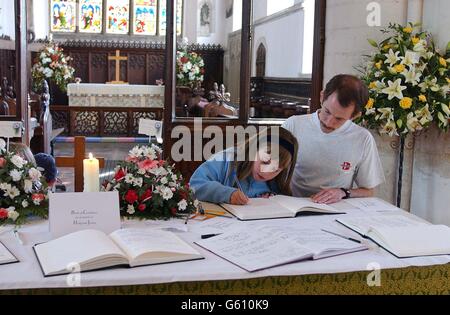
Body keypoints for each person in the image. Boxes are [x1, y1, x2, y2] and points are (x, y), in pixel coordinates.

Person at [282, 74, 385, 204]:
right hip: (292, 205)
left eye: (339, 119)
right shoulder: (292, 125)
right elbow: (265, 169)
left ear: (355, 116)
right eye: (327, 112)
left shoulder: (363, 138)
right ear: (322, 97)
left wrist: (343, 192)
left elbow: (369, 191)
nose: (329, 122)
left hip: (335, 210)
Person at [189, 127, 298, 205]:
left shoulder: (277, 183)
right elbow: (195, 185)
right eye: (265, 162)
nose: (266, 172)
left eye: (275, 169)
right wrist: (228, 194)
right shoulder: (226, 159)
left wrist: (273, 199)